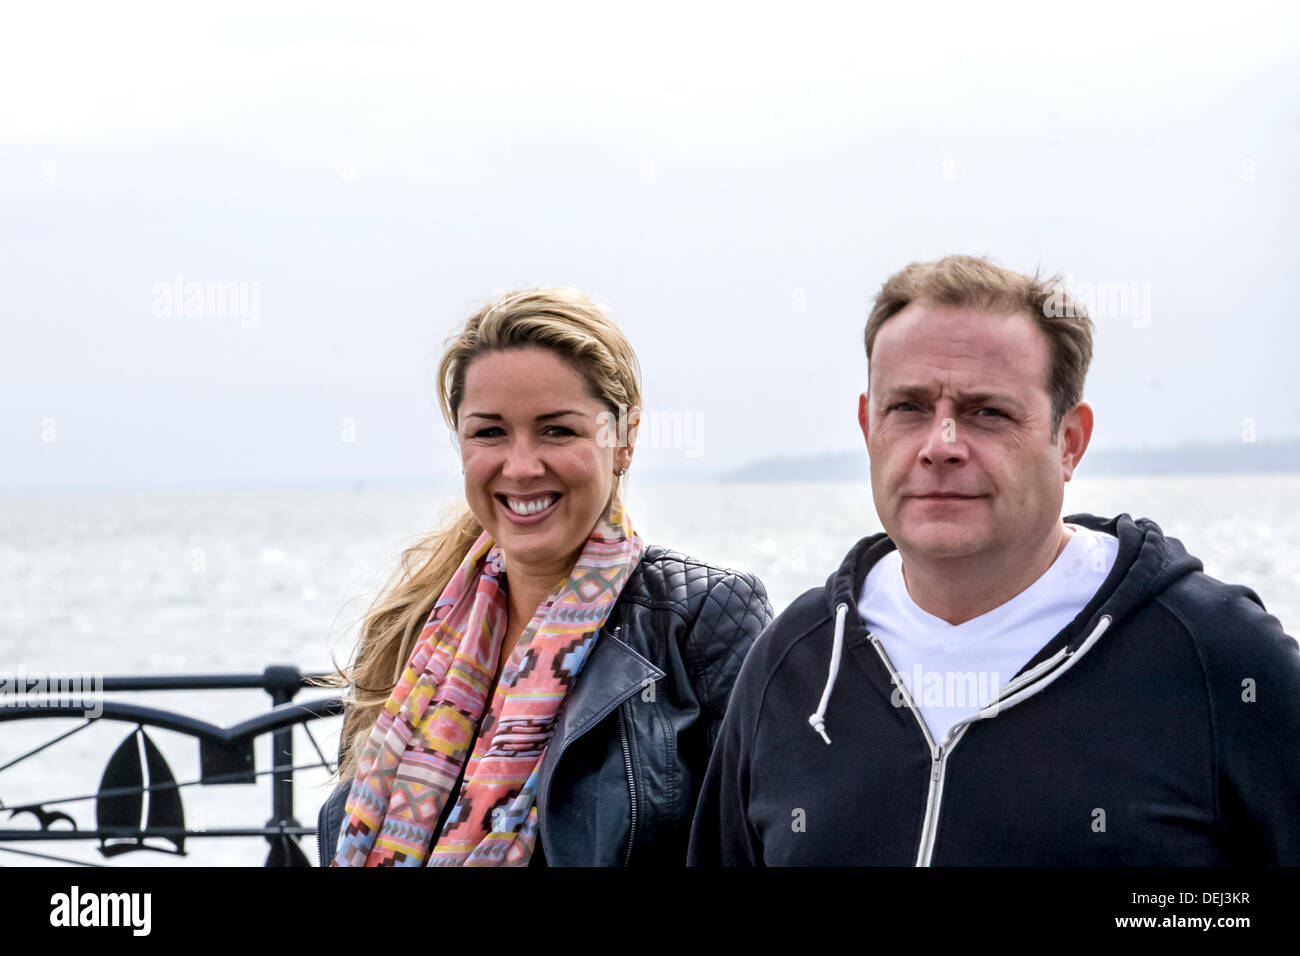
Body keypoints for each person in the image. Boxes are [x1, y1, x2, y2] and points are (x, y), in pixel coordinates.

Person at [687, 255, 1300, 866]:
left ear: (1070, 442)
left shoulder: (1216, 656)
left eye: (988, 412)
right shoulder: (793, 664)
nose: (940, 446)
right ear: (866, 426)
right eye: (908, 408)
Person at [314, 287, 771, 866]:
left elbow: (758, 845)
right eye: (489, 432)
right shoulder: (407, 630)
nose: (523, 466)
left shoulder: (701, 619)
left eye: (557, 430)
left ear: (623, 439)